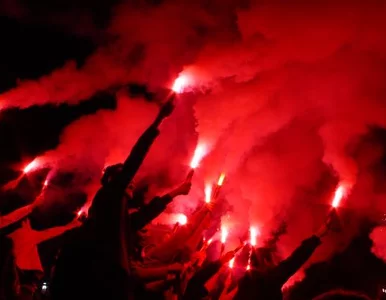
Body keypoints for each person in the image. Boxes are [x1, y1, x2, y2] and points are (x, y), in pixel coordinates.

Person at [51, 97, 175, 300]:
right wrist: (159, 120)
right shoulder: (109, 195)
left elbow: (140, 218)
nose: (132, 181)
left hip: (115, 285)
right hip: (105, 285)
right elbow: (135, 158)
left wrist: (174, 193)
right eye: (124, 176)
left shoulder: (117, 217)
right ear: (111, 180)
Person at [234, 213, 335, 300]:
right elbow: (295, 260)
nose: (275, 263)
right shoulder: (269, 280)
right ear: (265, 261)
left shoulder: (242, 284)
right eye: (273, 260)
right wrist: (317, 236)